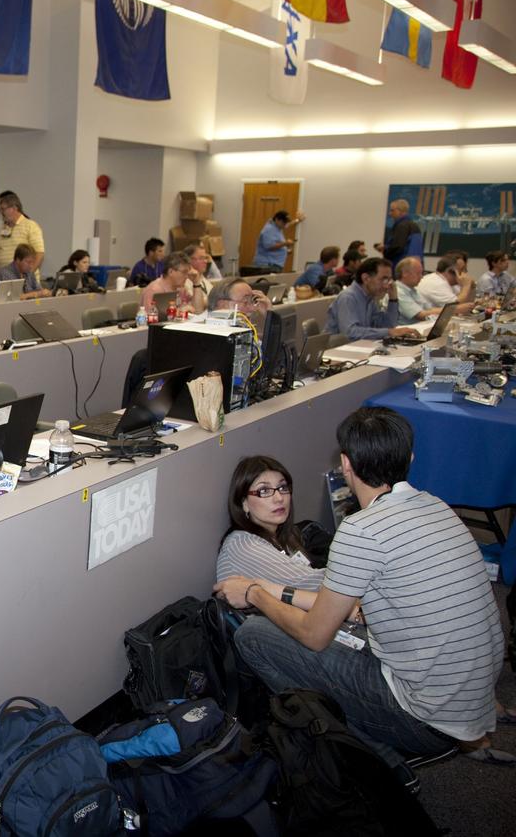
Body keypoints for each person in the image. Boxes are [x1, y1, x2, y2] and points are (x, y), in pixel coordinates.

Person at [215, 407, 507, 777]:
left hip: (427, 719)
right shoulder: (438, 508)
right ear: (410, 458)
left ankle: (368, 759)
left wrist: (256, 593)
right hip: (474, 699)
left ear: (346, 464)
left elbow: (314, 636)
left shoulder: (361, 530)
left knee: (254, 635)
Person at [216, 456, 326, 606]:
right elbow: (314, 584)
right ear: (244, 504)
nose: (279, 498)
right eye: (264, 490)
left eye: (282, 488)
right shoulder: (241, 544)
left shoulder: (284, 537)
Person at [324, 257, 419, 341]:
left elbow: (388, 325)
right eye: (383, 279)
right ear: (366, 278)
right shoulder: (348, 297)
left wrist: (393, 299)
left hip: (357, 348)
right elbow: (350, 333)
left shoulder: (370, 297)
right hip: (335, 352)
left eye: (389, 280)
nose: (387, 285)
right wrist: (389, 332)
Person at [0, 192, 44, 275]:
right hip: (4, 280)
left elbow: (39, 253)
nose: (1, 212)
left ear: (14, 208)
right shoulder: (2, 229)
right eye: (0, 209)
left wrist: (28, 275)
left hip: (24, 281)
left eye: (3, 209)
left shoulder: (31, 226)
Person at [393, 257, 445, 325]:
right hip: (405, 331)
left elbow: (429, 309)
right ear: (405, 273)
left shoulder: (413, 290)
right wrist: (451, 310)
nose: (421, 277)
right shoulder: (397, 291)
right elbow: (421, 315)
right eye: (418, 273)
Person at [374, 199, 422, 265]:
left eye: (392, 210)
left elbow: (397, 247)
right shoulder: (413, 225)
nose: (390, 213)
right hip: (413, 265)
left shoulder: (402, 226)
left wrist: (384, 249)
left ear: (401, 211)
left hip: (400, 265)